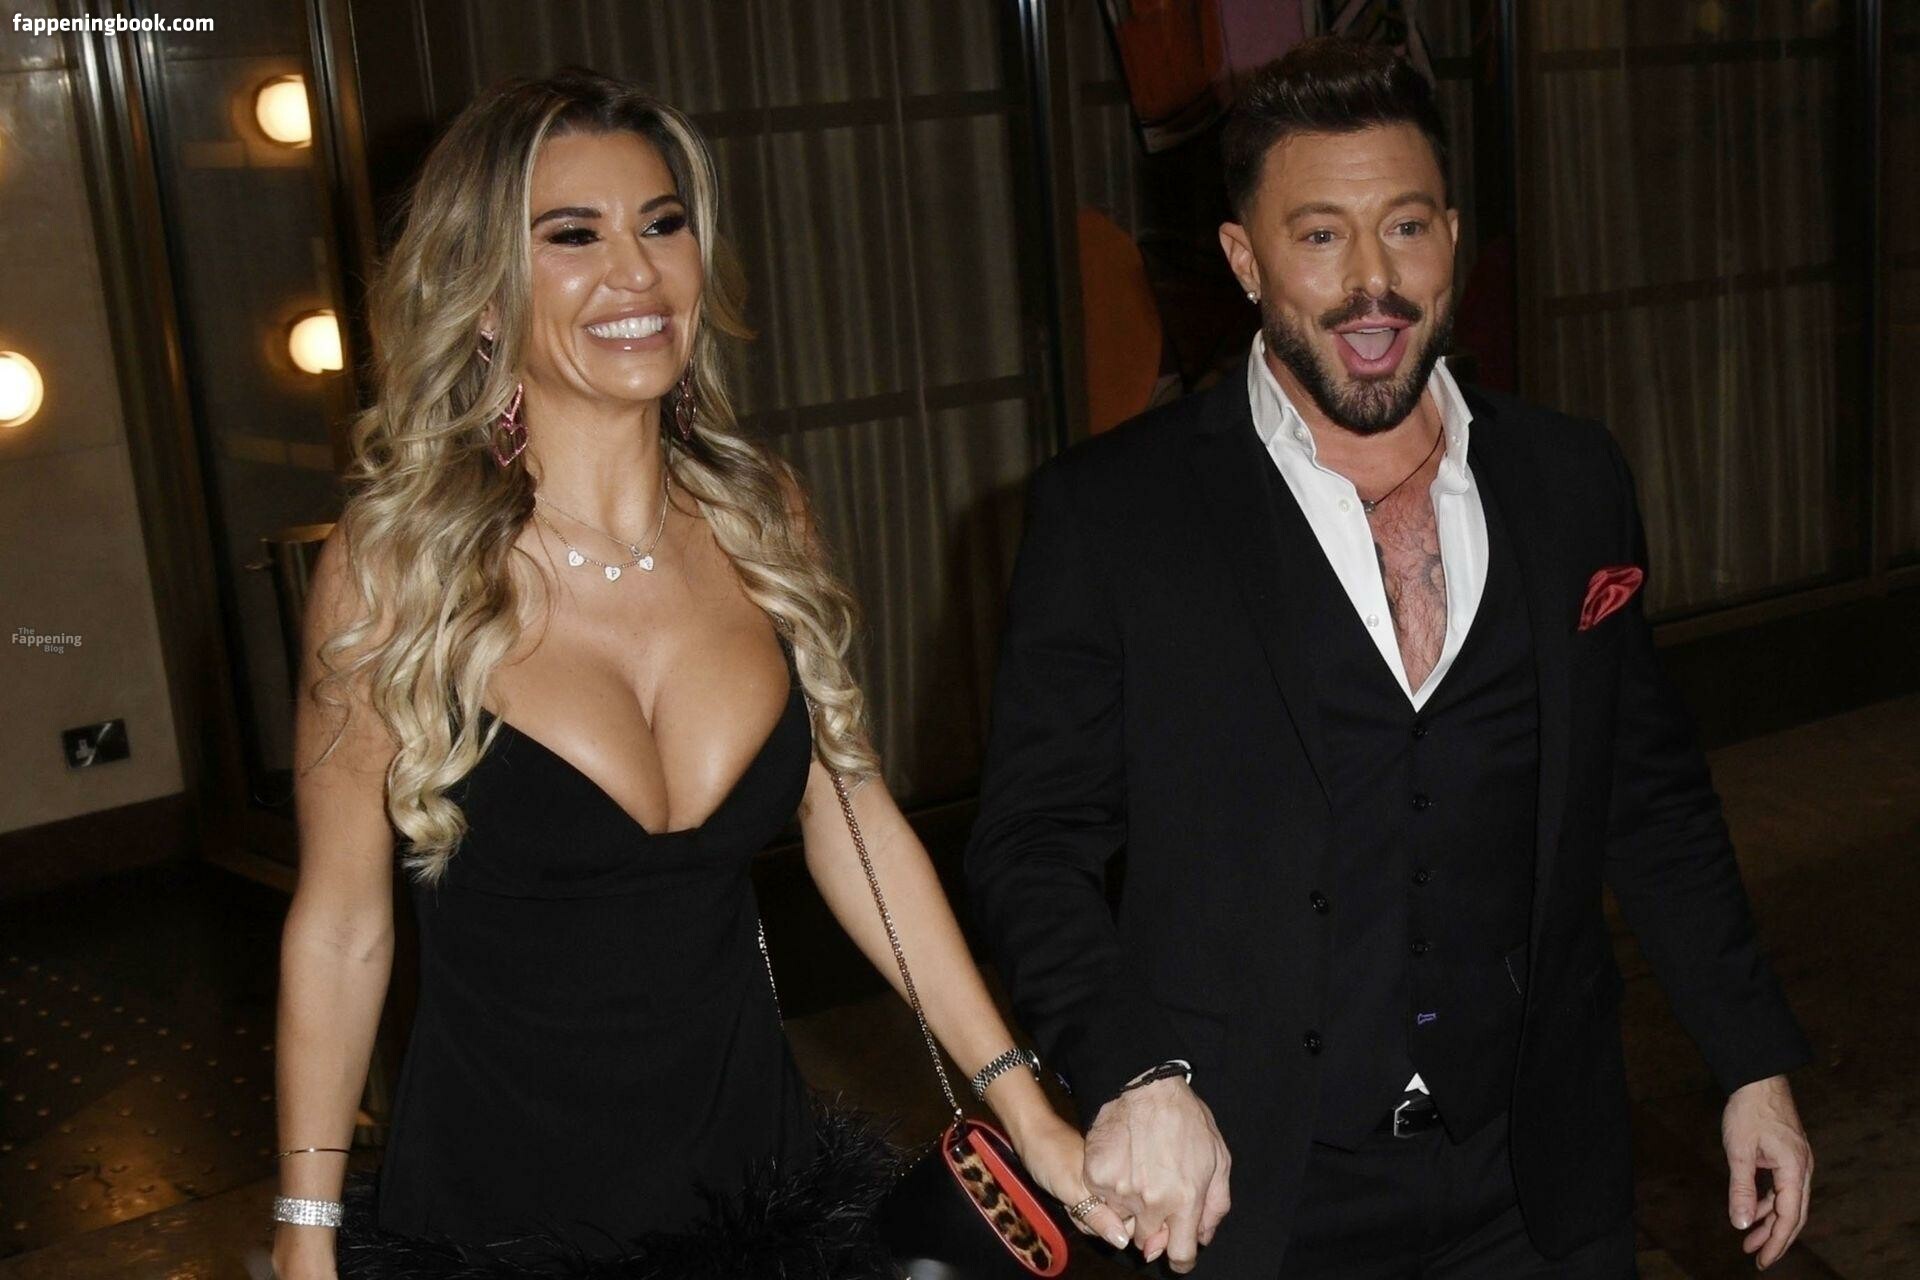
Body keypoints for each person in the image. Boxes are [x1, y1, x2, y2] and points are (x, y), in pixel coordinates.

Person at [965, 37, 1815, 1279]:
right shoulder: (1114, 516)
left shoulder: (1571, 479)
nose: (1374, 281)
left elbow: (1651, 795)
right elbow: (1033, 844)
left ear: (1452, 240)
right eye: (1320, 236)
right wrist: (1134, 1070)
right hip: (1248, 1188)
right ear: (1244, 259)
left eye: (1406, 228)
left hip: (1537, 1172)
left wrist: (1748, 1056)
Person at [270, 67, 1127, 1280]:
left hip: (757, 1197)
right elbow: (343, 927)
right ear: (483, 295)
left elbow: (854, 819)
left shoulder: (759, 514)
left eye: (662, 224)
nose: (638, 271)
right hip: (499, 1224)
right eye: (574, 235)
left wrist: (1021, 1101)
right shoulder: (394, 566)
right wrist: (303, 1237)